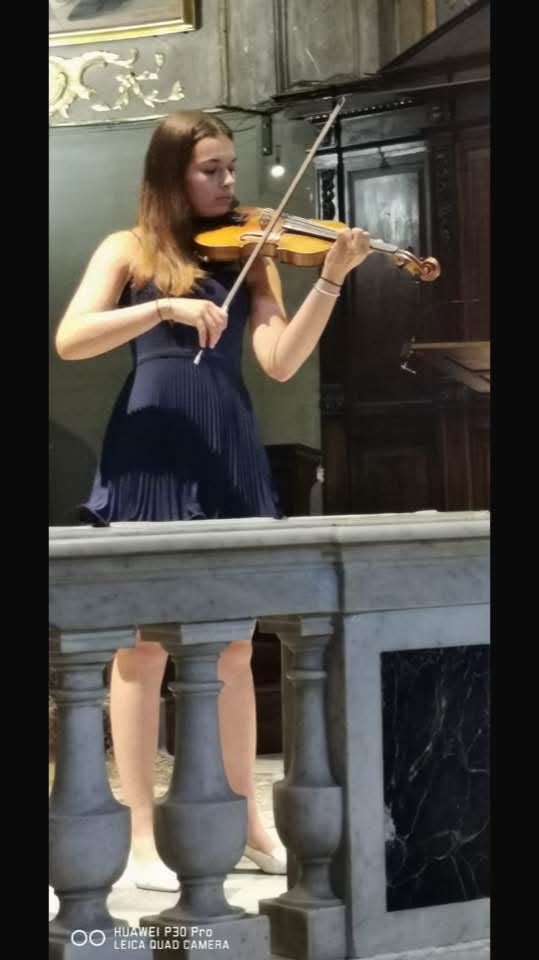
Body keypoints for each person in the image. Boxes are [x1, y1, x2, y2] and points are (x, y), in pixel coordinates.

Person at [55, 109, 370, 892]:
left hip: (227, 439)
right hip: (151, 443)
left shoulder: (252, 256)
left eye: (231, 167)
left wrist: (329, 279)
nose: (228, 182)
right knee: (141, 650)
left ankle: (248, 823)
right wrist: (162, 306)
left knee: (233, 645)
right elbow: (72, 338)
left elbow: (280, 359)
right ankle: (138, 833)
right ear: (171, 174)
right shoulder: (128, 249)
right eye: (211, 170)